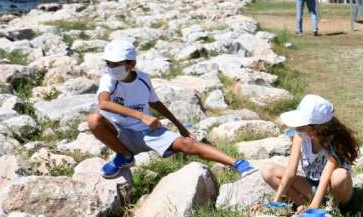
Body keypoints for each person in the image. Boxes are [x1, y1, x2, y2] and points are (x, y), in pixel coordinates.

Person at [88, 40, 256, 180]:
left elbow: (156, 103)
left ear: (131, 64)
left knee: (187, 144)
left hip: (146, 132)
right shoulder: (109, 79)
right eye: (108, 63)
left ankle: (239, 164)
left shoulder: (144, 79)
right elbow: (103, 103)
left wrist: (181, 127)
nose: (111, 67)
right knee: (94, 120)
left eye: (116, 64)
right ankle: (124, 156)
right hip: (119, 132)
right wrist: (141, 115)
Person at [259, 94, 357, 213]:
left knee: (340, 176)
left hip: (334, 189)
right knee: (267, 170)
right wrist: (276, 201)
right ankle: (304, 206)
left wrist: (314, 206)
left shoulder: (335, 140)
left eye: (301, 125)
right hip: (311, 185)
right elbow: (291, 171)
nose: (297, 128)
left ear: (316, 128)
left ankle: (334, 208)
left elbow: (326, 177)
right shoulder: (300, 136)